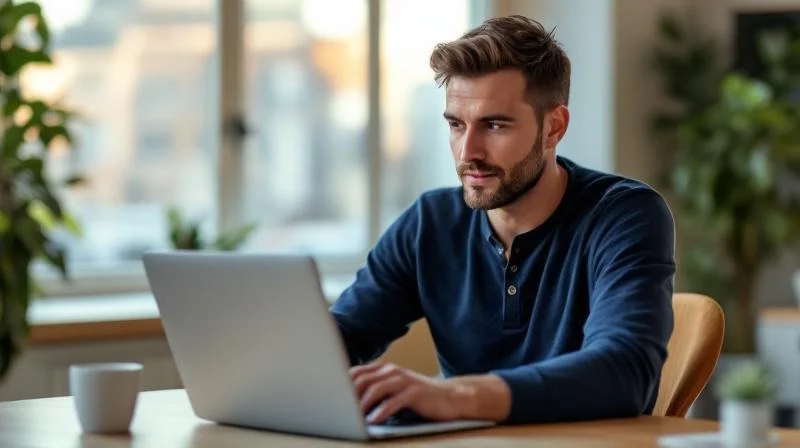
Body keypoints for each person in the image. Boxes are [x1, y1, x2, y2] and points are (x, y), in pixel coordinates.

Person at [330, 15, 675, 426]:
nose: (466, 152)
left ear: (554, 127)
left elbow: (624, 371)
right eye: (456, 125)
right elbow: (338, 339)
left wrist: (454, 395)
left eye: (494, 125)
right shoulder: (429, 224)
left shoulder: (624, 215)